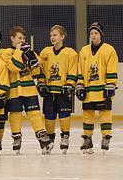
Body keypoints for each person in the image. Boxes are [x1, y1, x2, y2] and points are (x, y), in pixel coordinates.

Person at [1, 26, 51, 154]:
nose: (22, 41)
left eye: (23, 38)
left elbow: (36, 71)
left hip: (29, 89)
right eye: (19, 38)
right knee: (15, 115)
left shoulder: (29, 51)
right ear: (12, 38)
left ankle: (43, 140)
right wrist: (19, 52)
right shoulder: (6, 52)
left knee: (35, 114)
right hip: (14, 91)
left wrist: (32, 57)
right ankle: (17, 138)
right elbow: (14, 67)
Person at [36, 24, 78, 154]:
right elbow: (41, 70)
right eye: (51, 35)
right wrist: (41, 83)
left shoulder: (70, 53)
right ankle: (50, 140)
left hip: (63, 91)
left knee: (64, 115)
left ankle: (65, 137)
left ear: (62, 37)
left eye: (55, 35)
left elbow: (73, 71)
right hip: (49, 91)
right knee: (49, 116)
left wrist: (70, 84)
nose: (52, 37)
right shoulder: (45, 52)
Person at [77, 22, 117, 153]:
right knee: (87, 114)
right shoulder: (84, 51)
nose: (93, 35)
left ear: (101, 35)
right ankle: (87, 138)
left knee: (105, 113)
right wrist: (80, 84)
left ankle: (106, 137)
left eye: (96, 33)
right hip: (88, 89)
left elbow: (112, 67)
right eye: (91, 33)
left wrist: (111, 84)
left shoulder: (109, 50)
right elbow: (80, 69)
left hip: (102, 89)